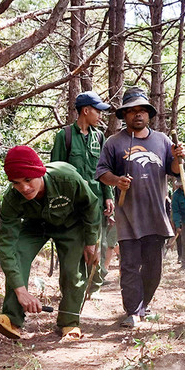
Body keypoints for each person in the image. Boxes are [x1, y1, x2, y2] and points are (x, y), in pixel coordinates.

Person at [0, 146, 101, 341]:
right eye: (17, 183)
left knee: (74, 270)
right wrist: (21, 291)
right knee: (18, 254)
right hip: (36, 225)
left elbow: (91, 205)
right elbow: (7, 245)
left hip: (71, 223)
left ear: (40, 173)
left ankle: (70, 323)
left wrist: (90, 241)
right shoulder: (12, 199)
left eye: (28, 180)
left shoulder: (66, 178)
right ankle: (11, 319)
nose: (24, 188)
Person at [95, 87, 185, 328]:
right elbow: (102, 172)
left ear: (148, 114)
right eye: (131, 111)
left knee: (154, 268)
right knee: (130, 265)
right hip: (127, 214)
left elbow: (174, 171)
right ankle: (133, 311)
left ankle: (143, 305)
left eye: (142, 110)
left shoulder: (163, 140)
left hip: (156, 214)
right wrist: (117, 181)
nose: (137, 115)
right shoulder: (114, 143)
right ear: (124, 115)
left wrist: (178, 158)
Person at [50, 90, 116, 295]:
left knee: (99, 244)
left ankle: (93, 287)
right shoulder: (65, 136)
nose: (100, 115)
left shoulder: (99, 137)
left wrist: (108, 196)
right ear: (85, 111)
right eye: (98, 111)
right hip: (72, 205)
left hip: (95, 204)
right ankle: (71, 289)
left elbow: (104, 170)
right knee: (73, 246)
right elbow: (55, 171)